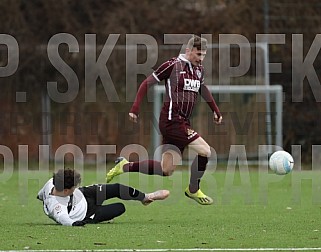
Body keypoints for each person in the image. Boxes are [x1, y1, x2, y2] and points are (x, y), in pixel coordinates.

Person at [107, 35, 222, 205]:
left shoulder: (199, 70)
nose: (201, 58)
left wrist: (215, 110)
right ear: (188, 51)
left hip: (182, 122)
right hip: (172, 121)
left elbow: (203, 89)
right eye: (198, 54)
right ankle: (193, 189)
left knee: (166, 170)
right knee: (205, 151)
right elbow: (146, 83)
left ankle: (124, 166)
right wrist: (135, 108)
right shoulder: (173, 65)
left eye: (203, 55)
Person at [37, 169, 169, 226]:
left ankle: (146, 197)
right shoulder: (57, 207)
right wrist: (74, 223)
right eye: (73, 187)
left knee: (117, 188)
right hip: (88, 214)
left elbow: (40, 194)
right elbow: (63, 219)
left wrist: (43, 199)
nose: (75, 187)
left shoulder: (51, 182)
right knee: (120, 208)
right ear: (66, 190)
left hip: (86, 193)